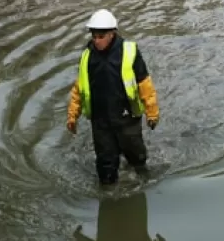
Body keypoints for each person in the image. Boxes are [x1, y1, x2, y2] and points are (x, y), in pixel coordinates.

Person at [66, 9, 161, 185]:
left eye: (101, 36)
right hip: (100, 121)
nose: (96, 40)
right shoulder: (87, 56)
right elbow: (79, 88)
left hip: (127, 118)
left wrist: (152, 112)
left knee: (137, 158)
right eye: (94, 35)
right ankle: (108, 190)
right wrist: (73, 114)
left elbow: (144, 84)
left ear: (112, 33)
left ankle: (143, 181)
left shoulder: (129, 52)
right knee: (105, 166)